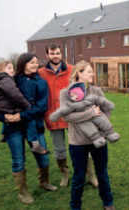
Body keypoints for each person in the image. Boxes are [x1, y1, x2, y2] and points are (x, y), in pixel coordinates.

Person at [0, 54, 58, 204]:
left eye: (36, 62)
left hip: (34, 125)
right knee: (18, 160)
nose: (35, 65)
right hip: (13, 128)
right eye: (32, 62)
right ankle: (23, 192)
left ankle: (44, 182)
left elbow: (41, 107)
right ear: (24, 63)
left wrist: (21, 115)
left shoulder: (41, 83)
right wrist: (5, 118)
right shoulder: (12, 80)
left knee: (43, 157)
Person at [38, 44, 97, 187]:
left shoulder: (71, 70)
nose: (56, 56)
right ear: (47, 55)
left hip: (74, 115)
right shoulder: (41, 73)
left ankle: (90, 174)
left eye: (58, 53)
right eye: (52, 53)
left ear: (61, 53)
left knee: (83, 144)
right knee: (59, 149)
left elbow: (83, 87)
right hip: (54, 116)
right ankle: (64, 174)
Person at [60, 60, 115, 210]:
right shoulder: (65, 93)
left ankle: (108, 203)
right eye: (89, 71)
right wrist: (90, 114)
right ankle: (75, 206)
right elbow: (67, 117)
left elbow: (107, 110)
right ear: (80, 73)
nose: (93, 74)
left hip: (99, 139)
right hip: (78, 142)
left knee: (102, 173)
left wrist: (99, 121)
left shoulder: (96, 91)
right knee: (78, 177)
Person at [49, 82, 120, 148]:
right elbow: (63, 113)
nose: (72, 97)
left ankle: (111, 133)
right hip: (81, 132)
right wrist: (91, 113)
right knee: (87, 126)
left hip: (97, 116)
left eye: (74, 95)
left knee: (102, 119)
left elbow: (101, 101)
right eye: (89, 72)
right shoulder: (70, 104)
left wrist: (108, 105)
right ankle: (97, 139)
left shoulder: (91, 96)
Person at [0, 61, 29, 143]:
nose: (12, 71)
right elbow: (15, 95)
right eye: (9, 68)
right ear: (1, 69)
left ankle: (5, 135)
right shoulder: (5, 79)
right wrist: (27, 106)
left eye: (13, 68)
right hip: (6, 110)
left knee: (8, 122)